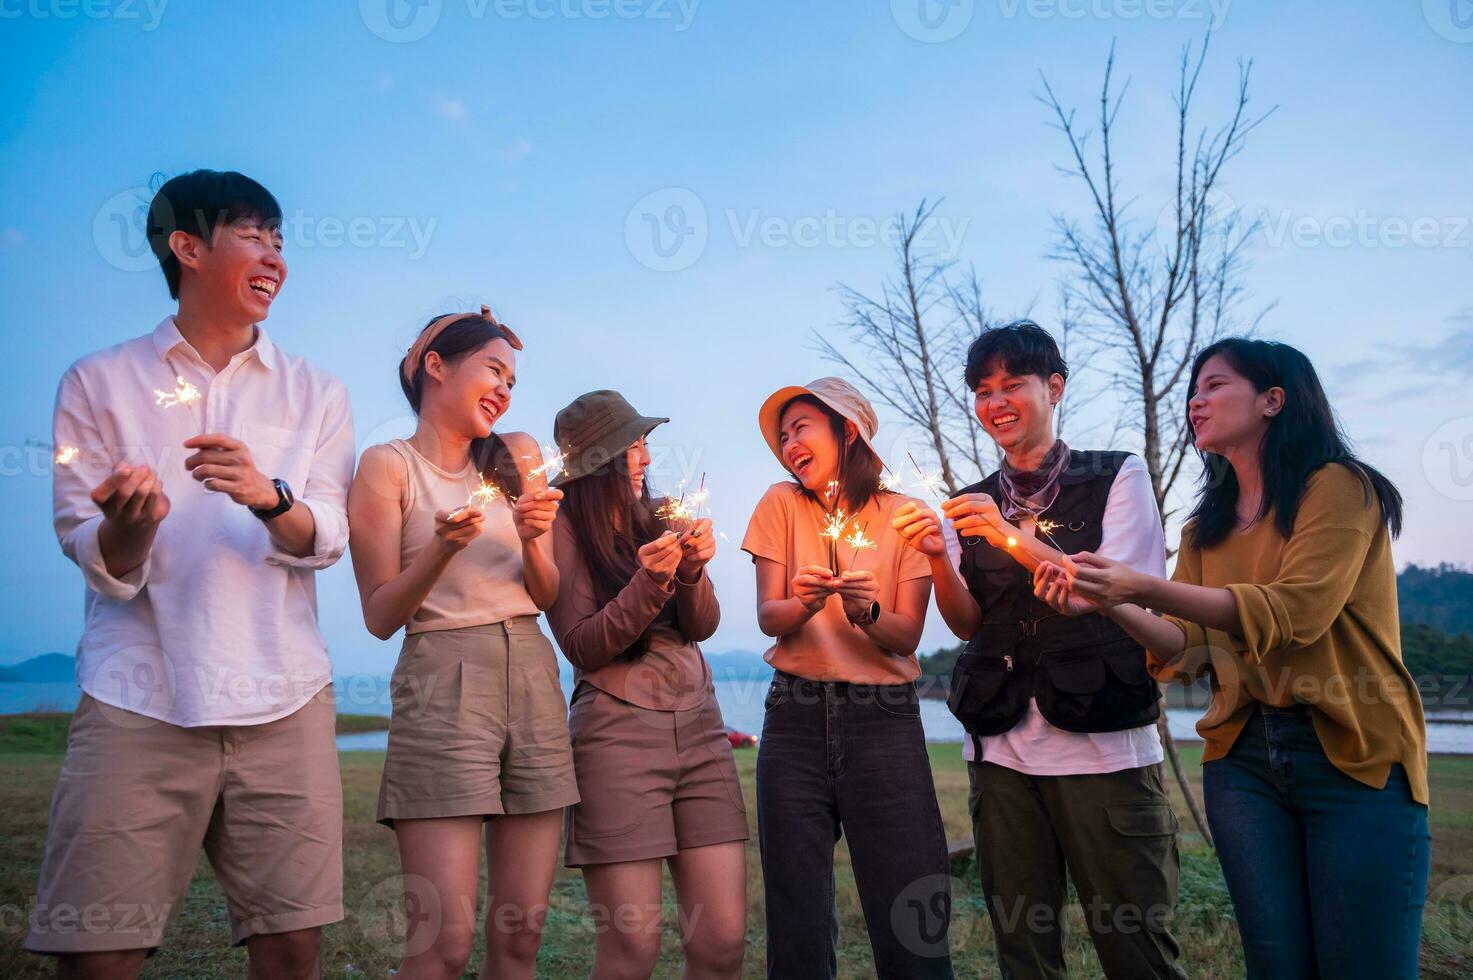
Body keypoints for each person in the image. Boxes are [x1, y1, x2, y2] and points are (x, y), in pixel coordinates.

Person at [28, 169, 354, 979]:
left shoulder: (315, 391)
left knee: (291, 947)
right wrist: (128, 529)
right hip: (137, 693)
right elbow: (93, 553)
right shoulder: (98, 382)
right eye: (254, 235)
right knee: (97, 952)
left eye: (280, 240)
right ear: (188, 247)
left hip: (285, 695)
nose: (275, 255)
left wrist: (268, 497)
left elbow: (328, 534)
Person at [1034, 337, 1430, 980]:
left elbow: (1295, 613)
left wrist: (1141, 585)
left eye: (1214, 385)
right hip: (1243, 762)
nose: (1197, 400)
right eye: (1194, 389)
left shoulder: (1339, 488)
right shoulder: (1205, 528)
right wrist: (1105, 600)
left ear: (1273, 400)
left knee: (1364, 964)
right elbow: (1189, 651)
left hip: (1355, 753)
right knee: (1275, 964)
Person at [892, 321, 1186, 980]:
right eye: (981, 389)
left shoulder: (1117, 475)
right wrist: (939, 556)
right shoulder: (969, 501)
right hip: (1000, 750)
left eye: (1011, 384)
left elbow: (1116, 592)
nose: (994, 401)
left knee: (1136, 949)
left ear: (1053, 387)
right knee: (1023, 953)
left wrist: (1006, 535)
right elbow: (968, 623)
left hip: (1103, 747)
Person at [346, 306, 574, 980]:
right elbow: (380, 615)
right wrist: (442, 549)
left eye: (512, 377)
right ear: (434, 367)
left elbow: (547, 593)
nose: (505, 388)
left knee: (521, 936)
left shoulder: (520, 455)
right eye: (493, 369)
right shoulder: (387, 467)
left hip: (531, 672)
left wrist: (534, 539)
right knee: (441, 943)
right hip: (443, 676)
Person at [742, 376, 954, 979]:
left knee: (909, 903)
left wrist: (867, 613)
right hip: (794, 718)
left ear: (848, 430)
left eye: (801, 428)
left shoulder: (905, 517)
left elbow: (907, 635)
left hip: (883, 719)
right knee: (796, 910)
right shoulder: (780, 504)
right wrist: (808, 604)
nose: (789, 445)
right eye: (783, 437)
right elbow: (768, 618)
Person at [545, 389, 749, 980]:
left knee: (721, 943)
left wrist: (692, 571)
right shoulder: (563, 528)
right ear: (598, 461)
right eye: (631, 446)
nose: (645, 458)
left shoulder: (664, 515)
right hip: (616, 736)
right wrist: (648, 582)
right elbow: (582, 644)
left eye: (644, 444)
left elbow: (703, 625)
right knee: (633, 951)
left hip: (702, 729)